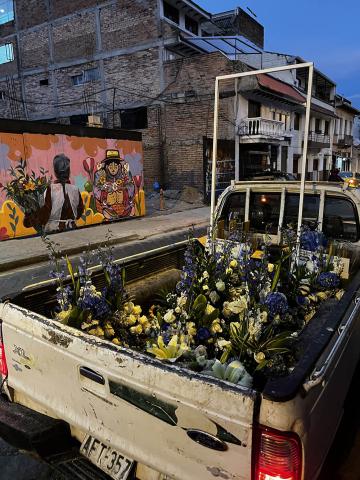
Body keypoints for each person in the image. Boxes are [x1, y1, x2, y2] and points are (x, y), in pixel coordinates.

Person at [24, 154, 84, 233]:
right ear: (69, 171)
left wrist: (30, 216)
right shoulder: (75, 189)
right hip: (72, 229)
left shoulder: (50, 189)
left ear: (55, 172)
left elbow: (44, 215)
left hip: (55, 232)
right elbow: (79, 211)